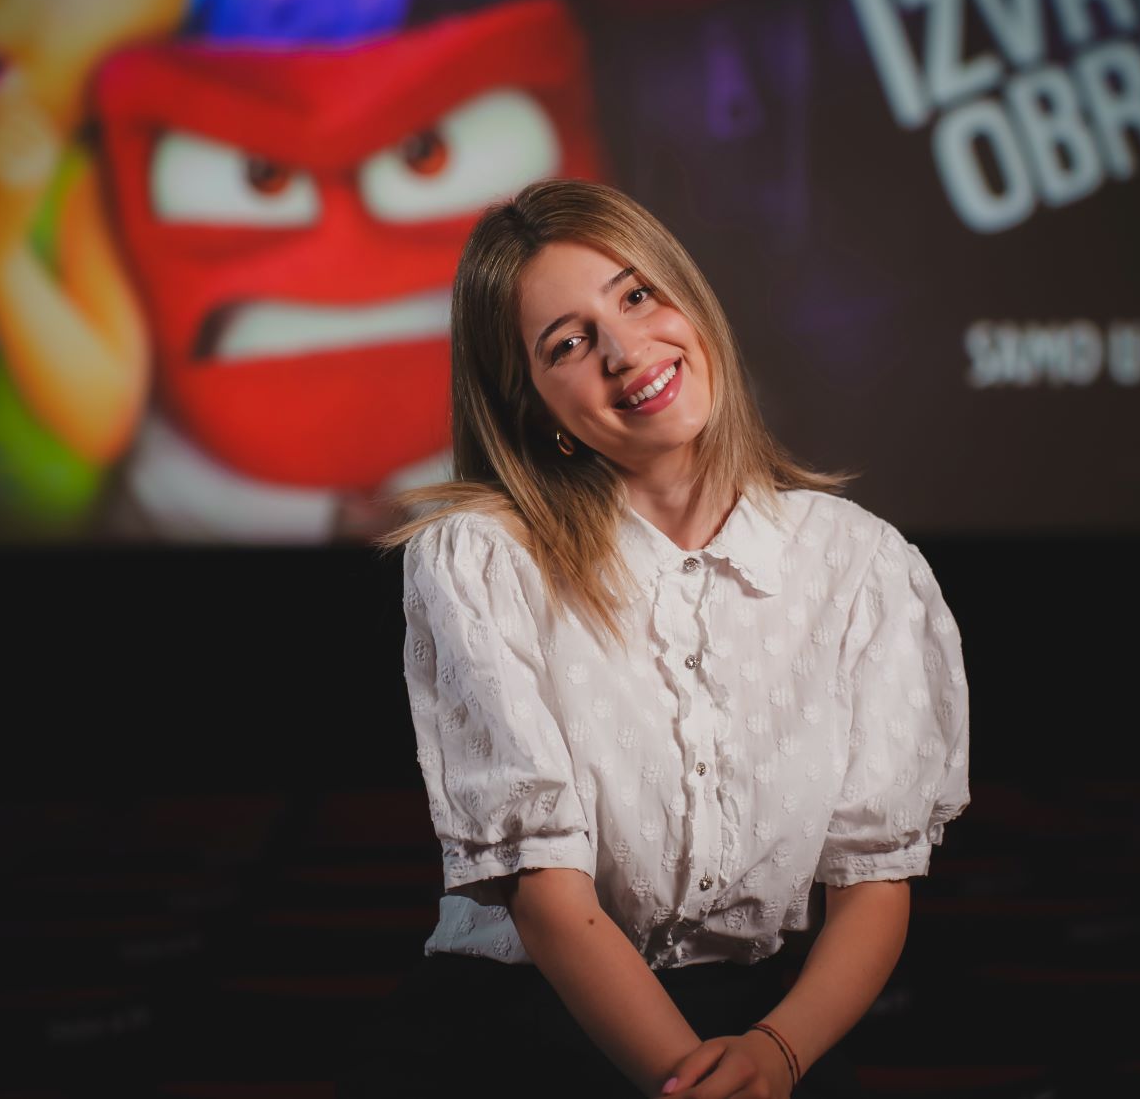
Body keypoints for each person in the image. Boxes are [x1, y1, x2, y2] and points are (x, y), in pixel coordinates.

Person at [346, 179, 970, 1099]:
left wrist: (776, 1055)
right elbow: (545, 895)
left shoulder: (862, 562)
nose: (626, 351)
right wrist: (692, 1084)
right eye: (568, 343)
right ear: (533, 405)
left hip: (774, 1033)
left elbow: (874, 880)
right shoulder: (480, 558)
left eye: (637, 296)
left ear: (691, 299)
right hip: (520, 1033)